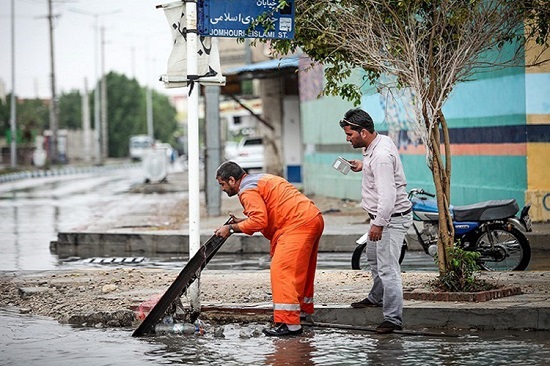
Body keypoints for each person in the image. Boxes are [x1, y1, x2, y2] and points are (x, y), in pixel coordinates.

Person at [214, 161, 324, 337]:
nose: (222, 189)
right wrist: (241, 222)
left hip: (296, 224)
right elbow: (268, 212)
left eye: (222, 184)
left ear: (232, 180)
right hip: (311, 218)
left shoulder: (246, 191)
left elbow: (259, 221)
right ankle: (302, 313)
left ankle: (290, 324)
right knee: (301, 272)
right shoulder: (260, 180)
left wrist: (231, 229)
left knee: (281, 271)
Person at [339, 108, 412, 334]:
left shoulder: (379, 157)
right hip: (381, 219)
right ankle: (376, 297)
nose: (347, 138)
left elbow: (387, 195)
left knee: (388, 268)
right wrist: (363, 166)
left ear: (363, 132)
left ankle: (393, 319)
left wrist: (379, 224)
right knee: (373, 258)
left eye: (350, 135)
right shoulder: (378, 143)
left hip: (389, 220)